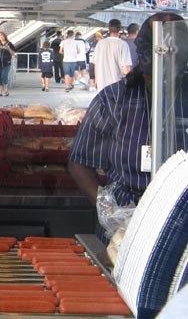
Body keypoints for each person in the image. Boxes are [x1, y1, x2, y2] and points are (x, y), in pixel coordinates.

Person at [67, 12, 188, 243]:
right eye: (156, 70)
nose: (163, 79)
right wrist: (108, 211)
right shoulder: (114, 100)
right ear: (143, 59)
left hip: (181, 222)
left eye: (173, 69)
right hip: (124, 221)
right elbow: (80, 162)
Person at [92, 19, 132, 91]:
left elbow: (96, 65)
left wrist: (96, 81)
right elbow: (126, 70)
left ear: (109, 30)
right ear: (120, 29)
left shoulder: (100, 44)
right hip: (117, 86)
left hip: (102, 85)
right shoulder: (123, 45)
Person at [0, 31, 16, 97]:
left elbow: (13, 53)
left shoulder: (9, 43)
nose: (1, 37)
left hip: (6, 62)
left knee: (4, 76)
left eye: (1, 35)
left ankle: (6, 90)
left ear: (4, 35)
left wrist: (8, 48)